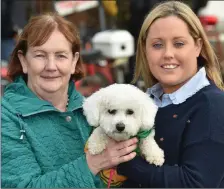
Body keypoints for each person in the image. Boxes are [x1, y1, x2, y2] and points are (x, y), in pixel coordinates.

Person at [1, 13, 138, 188]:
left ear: (74, 61)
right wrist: (93, 164)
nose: (51, 66)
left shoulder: (92, 110)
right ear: (23, 60)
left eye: (61, 56)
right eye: (40, 55)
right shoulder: (7, 118)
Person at [116, 1, 224, 187]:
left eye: (179, 43)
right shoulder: (143, 102)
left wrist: (123, 162)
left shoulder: (213, 105)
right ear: (144, 49)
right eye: (157, 45)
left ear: (197, 46)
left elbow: (195, 184)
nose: (168, 54)